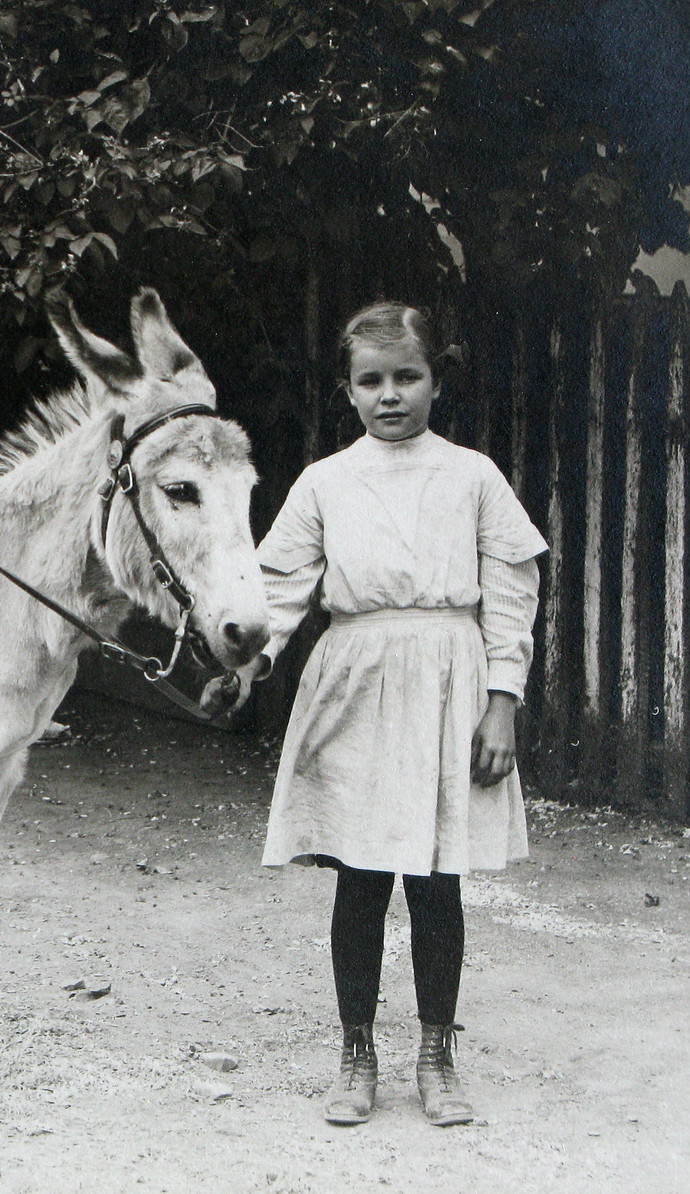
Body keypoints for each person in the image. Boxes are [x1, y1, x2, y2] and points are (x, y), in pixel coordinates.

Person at [225, 301, 547, 1126]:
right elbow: (282, 589)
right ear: (349, 391)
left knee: (438, 883)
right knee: (362, 880)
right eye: (372, 380)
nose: (390, 395)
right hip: (355, 683)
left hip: (450, 684)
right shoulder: (326, 481)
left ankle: (437, 1054)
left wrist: (501, 703)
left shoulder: (473, 475)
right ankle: (357, 1053)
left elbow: (512, 596)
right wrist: (252, 660)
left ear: (437, 380)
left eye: (407, 376)